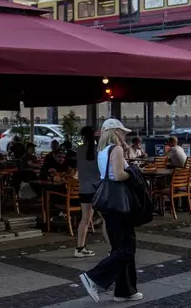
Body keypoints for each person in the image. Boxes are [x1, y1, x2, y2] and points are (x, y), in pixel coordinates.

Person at [80, 118, 142, 304]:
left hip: (107, 201)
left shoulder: (102, 150)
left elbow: (107, 173)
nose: (125, 135)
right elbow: (118, 174)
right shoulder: (116, 149)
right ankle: (94, 277)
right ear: (115, 132)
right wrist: (133, 171)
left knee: (120, 246)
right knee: (127, 247)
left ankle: (125, 290)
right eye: (122, 132)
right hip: (119, 202)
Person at [74, 126, 100, 258]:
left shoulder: (79, 150)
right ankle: (113, 249)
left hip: (84, 188)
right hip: (97, 188)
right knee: (106, 219)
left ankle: (80, 247)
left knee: (85, 219)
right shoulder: (98, 150)